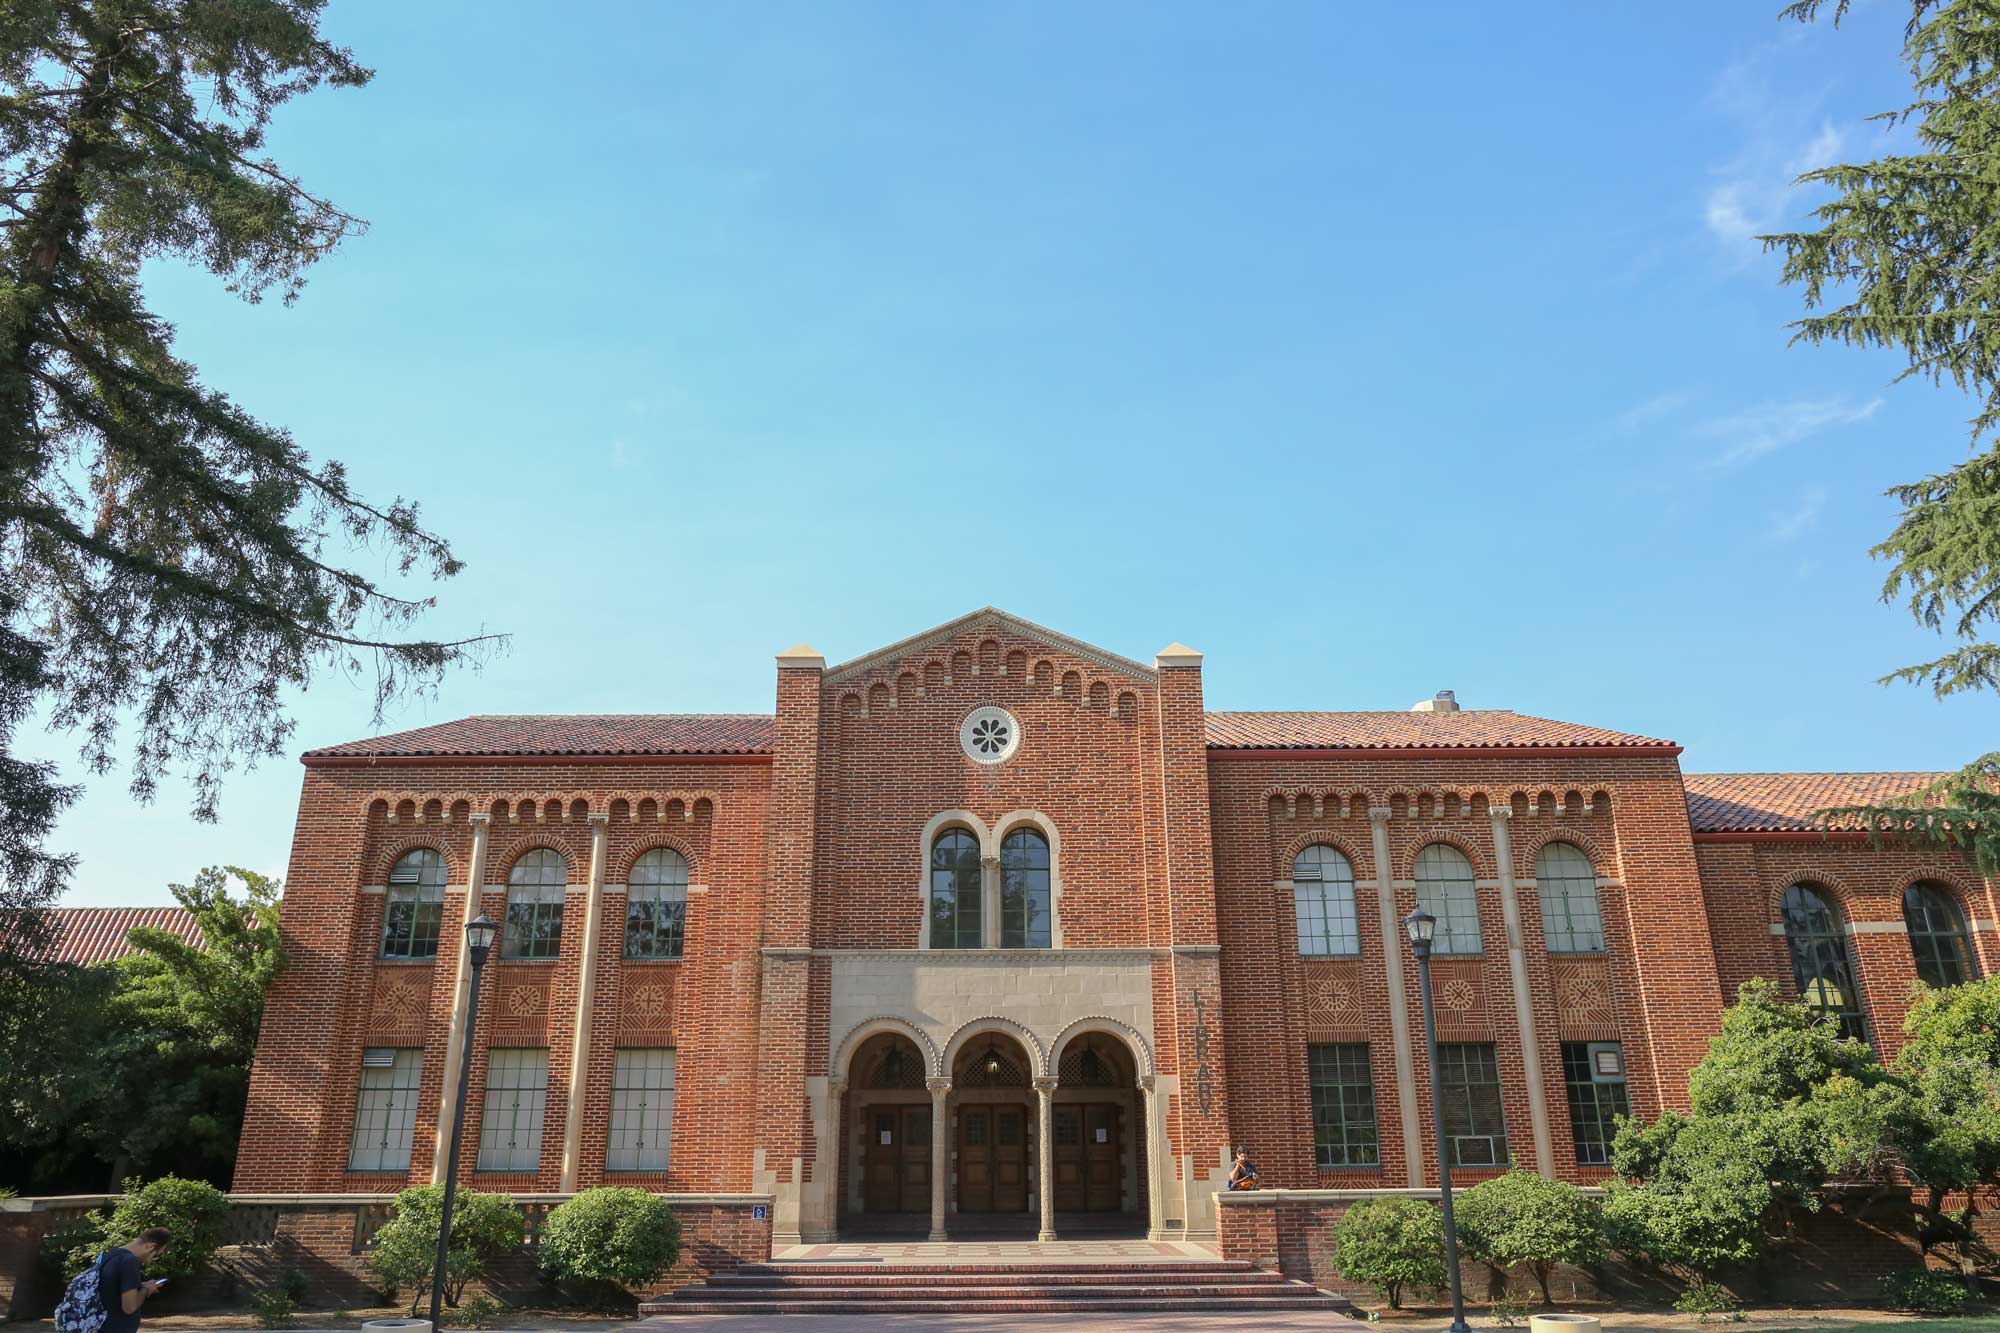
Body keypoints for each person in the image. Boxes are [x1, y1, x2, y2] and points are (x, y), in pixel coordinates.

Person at [99, 1228, 171, 1333]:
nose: (150, 1261)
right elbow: (129, 1307)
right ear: (150, 1246)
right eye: (155, 1256)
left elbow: (109, 1289)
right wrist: (147, 1289)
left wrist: (140, 1285)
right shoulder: (129, 1261)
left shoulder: (107, 1256)